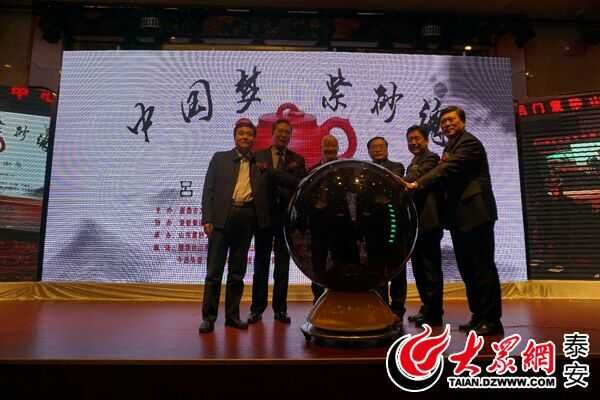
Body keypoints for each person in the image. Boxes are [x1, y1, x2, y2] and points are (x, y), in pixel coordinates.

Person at [404, 106, 503, 336]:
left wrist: (417, 183)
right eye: (444, 122)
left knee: (482, 268)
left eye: (451, 120)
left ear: (462, 121)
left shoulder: (469, 143)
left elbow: (447, 168)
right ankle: (478, 316)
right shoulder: (450, 146)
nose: (447, 124)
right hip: (460, 218)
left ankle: (492, 320)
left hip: (476, 213)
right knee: (468, 270)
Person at [198, 118, 271, 334]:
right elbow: (208, 190)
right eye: (241, 133)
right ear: (235, 136)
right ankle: (209, 318)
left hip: (246, 218)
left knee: (237, 273)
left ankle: (232, 316)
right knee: (214, 272)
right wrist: (207, 218)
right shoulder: (219, 158)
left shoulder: (260, 162)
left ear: (254, 138)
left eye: (249, 134)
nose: (245, 137)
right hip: (221, 218)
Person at [248, 119, 306, 324]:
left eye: (287, 132)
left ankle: (280, 309)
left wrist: (274, 174)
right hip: (263, 217)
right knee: (260, 265)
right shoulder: (257, 156)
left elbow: (300, 184)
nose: (283, 135)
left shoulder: (297, 159)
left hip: (286, 220)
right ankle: (257, 309)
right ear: (272, 133)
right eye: (280, 131)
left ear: (290, 136)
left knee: (282, 266)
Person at [403, 125, 444, 327]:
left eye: (417, 138)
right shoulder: (413, 162)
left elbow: (415, 178)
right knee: (419, 269)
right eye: (410, 139)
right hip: (417, 224)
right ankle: (427, 307)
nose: (413, 142)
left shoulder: (431, 159)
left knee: (430, 269)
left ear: (426, 140)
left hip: (429, 222)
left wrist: (399, 181)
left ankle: (434, 313)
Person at [366, 136, 406, 318]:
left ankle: (397, 307)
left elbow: (391, 183)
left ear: (387, 149)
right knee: (377, 267)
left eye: (381, 146)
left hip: (394, 223)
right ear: (369, 151)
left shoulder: (397, 167)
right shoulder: (365, 170)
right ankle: (381, 304)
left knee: (397, 266)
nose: (377, 149)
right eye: (374, 147)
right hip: (372, 226)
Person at [308, 134, 339, 303]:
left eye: (333, 146)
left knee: (339, 261)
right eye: (326, 146)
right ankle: (318, 299)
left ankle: (338, 296)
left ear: (338, 148)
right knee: (318, 262)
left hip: (341, 225)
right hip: (318, 224)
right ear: (320, 149)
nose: (330, 149)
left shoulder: (345, 169)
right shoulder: (312, 172)